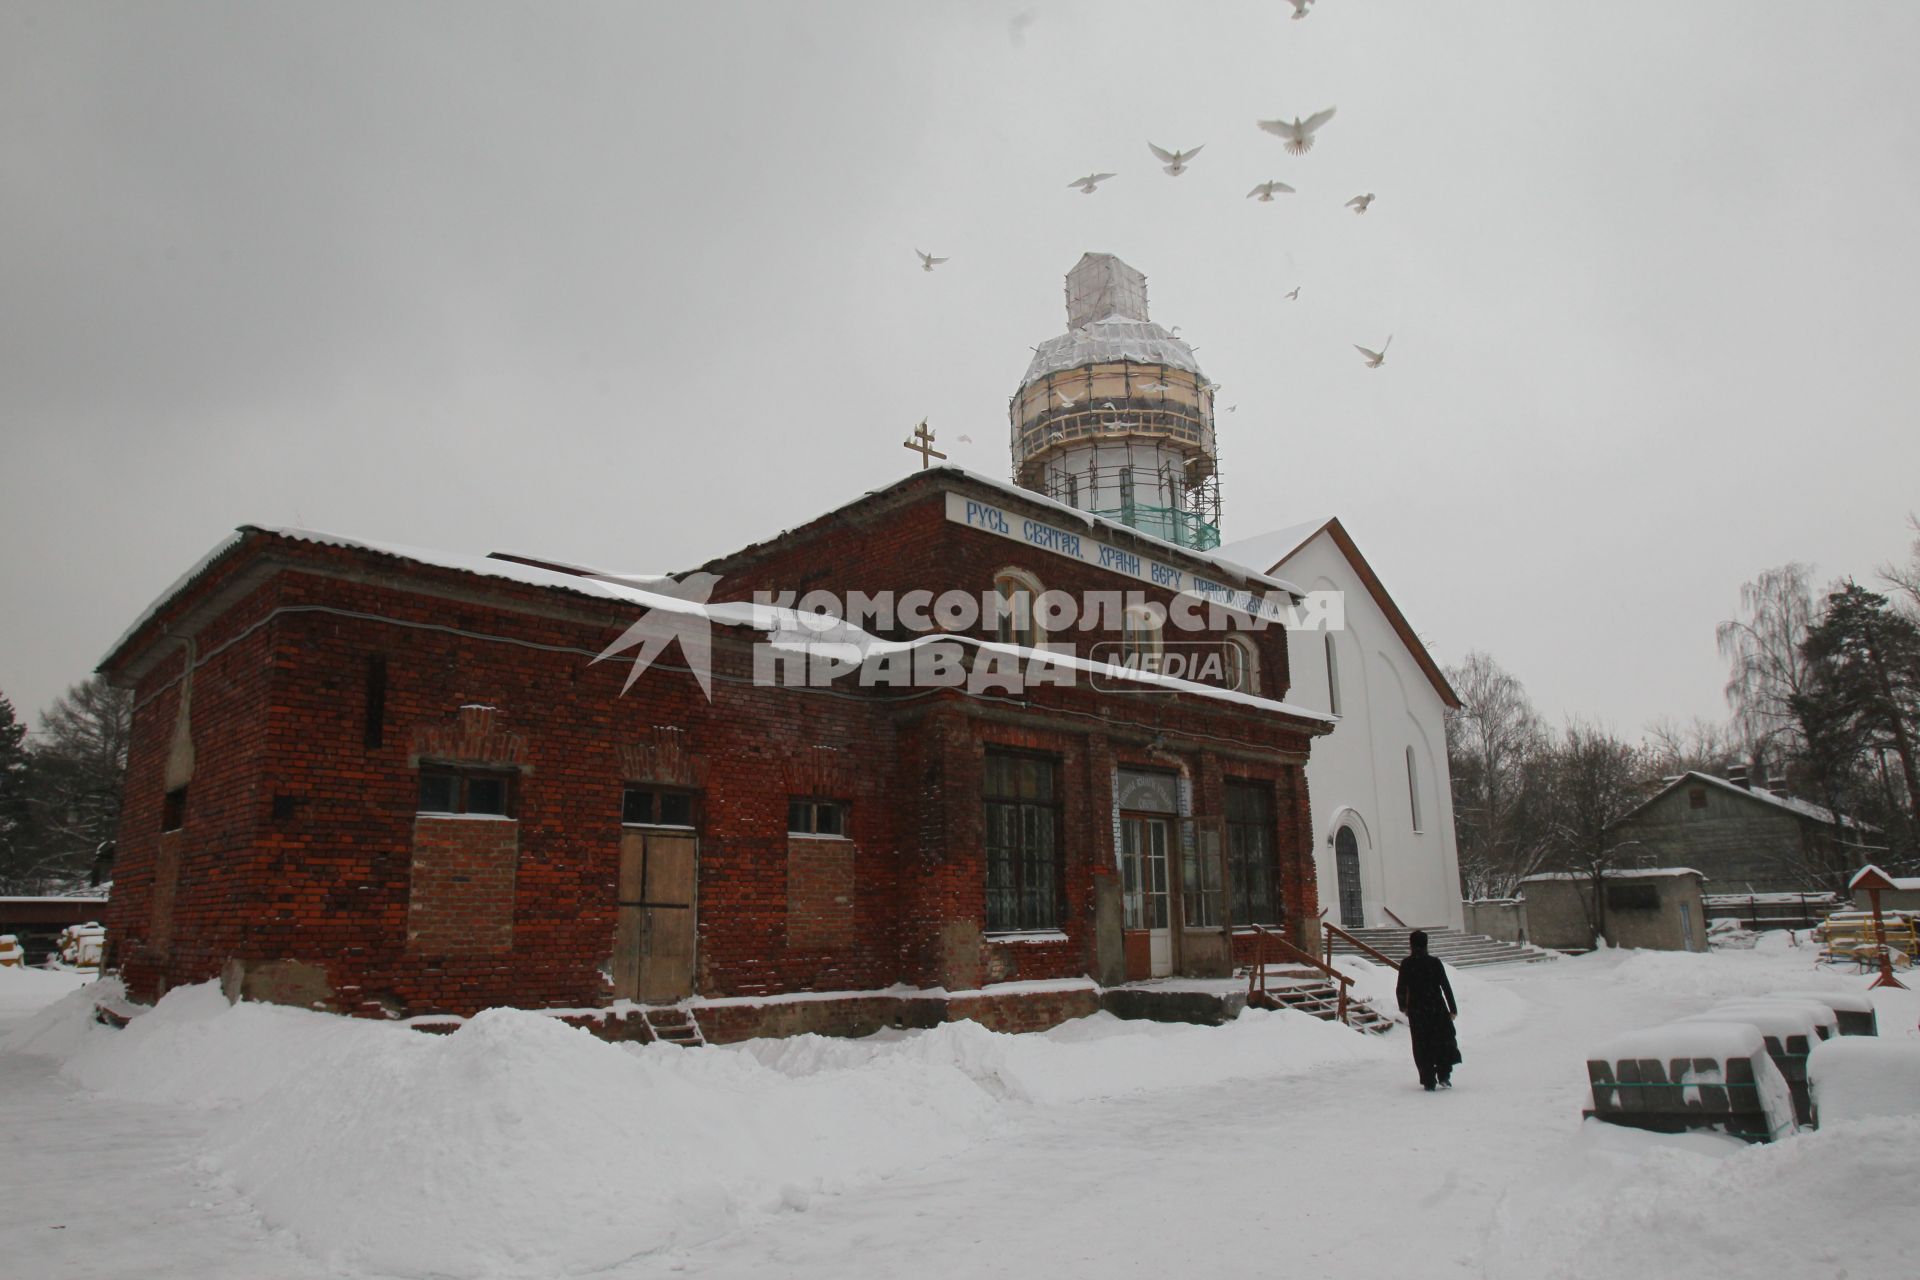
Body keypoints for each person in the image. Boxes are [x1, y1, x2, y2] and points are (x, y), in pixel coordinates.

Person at [1395, 929, 1460, 1091]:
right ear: (1426, 944)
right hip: (1436, 1008)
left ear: (1411, 945)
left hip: (1418, 1011)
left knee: (1422, 1045)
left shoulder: (1407, 964)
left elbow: (1400, 988)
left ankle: (1428, 1079)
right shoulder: (1434, 962)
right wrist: (1452, 1008)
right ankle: (1444, 1075)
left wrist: (1403, 1006)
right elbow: (1445, 986)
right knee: (1442, 1042)